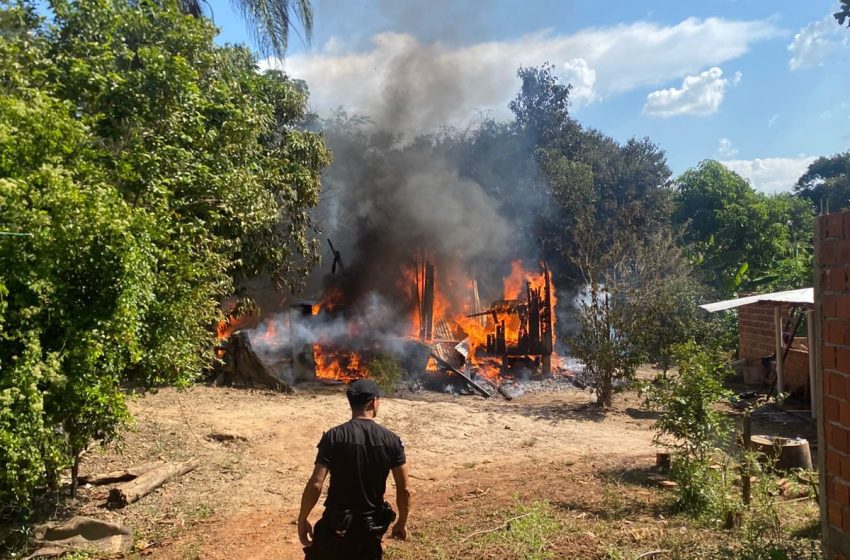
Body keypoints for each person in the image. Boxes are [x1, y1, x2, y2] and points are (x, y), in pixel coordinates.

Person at [298, 379, 411, 560]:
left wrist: (303, 518)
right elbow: (404, 489)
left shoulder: (333, 437)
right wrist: (401, 522)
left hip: (335, 529)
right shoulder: (391, 440)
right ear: (374, 402)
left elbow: (316, 484)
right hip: (368, 532)